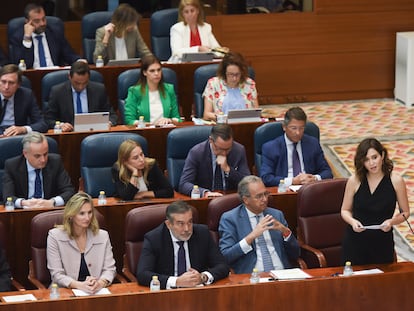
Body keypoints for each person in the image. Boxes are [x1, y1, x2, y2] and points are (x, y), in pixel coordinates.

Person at [341, 138, 410, 265]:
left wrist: (392, 221)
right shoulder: (354, 180)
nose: (372, 163)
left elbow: (405, 212)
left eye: (374, 157)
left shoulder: (396, 180)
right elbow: (345, 210)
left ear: (382, 155)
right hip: (356, 241)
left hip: (382, 241)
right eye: (366, 160)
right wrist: (353, 222)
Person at [136, 201, 229, 289]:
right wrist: (177, 281)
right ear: (168, 224)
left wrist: (203, 277)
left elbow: (222, 265)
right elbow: (143, 274)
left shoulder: (202, 233)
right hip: (167, 294)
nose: (187, 229)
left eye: (190, 222)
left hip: (198, 291)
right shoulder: (154, 238)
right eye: (180, 224)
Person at [219, 175, 300, 274]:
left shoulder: (276, 215)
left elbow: (296, 253)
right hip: (252, 277)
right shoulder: (230, 219)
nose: (265, 199)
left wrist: (285, 232)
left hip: (281, 274)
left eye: (265, 194)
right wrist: (251, 237)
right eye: (259, 196)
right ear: (245, 200)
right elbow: (226, 256)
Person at [47, 192, 116, 293]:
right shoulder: (55, 236)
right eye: (82, 213)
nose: (87, 218)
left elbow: (110, 269)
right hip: (65, 292)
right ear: (71, 215)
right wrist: (80, 285)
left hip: (96, 292)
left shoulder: (102, 236)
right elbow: (57, 274)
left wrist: (100, 283)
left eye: (90, 212)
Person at [260, 106, 333, 187]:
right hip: (284, 190)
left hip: (309, 189)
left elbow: (327, 172)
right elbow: (266, 178)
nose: (298, 133)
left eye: (301, 128)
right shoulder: (270, 147)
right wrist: (292, 181)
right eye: (293, 128)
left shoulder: (312, 143)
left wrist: (314, 178)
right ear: (284, 127)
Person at [2, 131, 74, 209]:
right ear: (25, 154)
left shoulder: (55, 162)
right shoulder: (12, 166)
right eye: (37, 156)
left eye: (45, 154)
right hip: (22, 213)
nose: (43, 160)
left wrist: (52, 202)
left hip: (49, 211)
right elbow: (7, 197)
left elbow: (69, 191)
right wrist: (23, 203)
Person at [178, 124, 250, 197]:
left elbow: (248, 183)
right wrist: (205, 193)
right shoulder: (197, 152)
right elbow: (184, 184)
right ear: (211, 140)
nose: (224, 153)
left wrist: (228, 170)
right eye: (220, 149)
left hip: (229, 198)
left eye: (228, 149)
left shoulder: (238, 150)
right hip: (206, 200)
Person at [45, 61, 117, 131]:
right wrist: (61, 125)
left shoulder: (99, 90)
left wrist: (109, 122)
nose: (80, 87)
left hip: (94, 132)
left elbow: (112, 115)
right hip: (69, 135)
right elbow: (48, 119)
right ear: (69, 77)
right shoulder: (58, 92)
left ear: (89, 78)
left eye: (84, 83)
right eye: (77, 83)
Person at [9, 3, 81, 69]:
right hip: (32, 76)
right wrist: (27, 38)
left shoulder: (55, 32)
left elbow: (69, 55)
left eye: (43, 19)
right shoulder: (18, 37)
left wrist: (79, 61)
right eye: (37, 21)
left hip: (54, 74)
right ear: (27, 22)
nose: (42, 24)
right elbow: (21, 66)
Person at [124, 54, 180, 126]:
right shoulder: (134, 91)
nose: (156, 73)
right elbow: (129, 121)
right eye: (152, 71)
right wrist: (150, 124)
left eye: (159, 70)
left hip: (166, 130)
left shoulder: (169, 89)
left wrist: (170, 120)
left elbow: (177, 118)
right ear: (144, 72)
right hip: (144, 132)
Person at [202, 51, 259, 121]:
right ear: (224, 72)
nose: (234, 78)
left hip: (245, 126)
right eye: (231, 74)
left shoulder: (249, 84)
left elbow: (256, 113)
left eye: (237, 74)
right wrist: (225, 119)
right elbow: (206, 115)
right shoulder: (213, 84)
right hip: (222, 127)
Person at [0, 64, 47, 136]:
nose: (6, 87)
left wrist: (23, 129)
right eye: (3, 82)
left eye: (11, 83)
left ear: (18, 85)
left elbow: (42, 124)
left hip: (18, 137)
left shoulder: (27, 95)